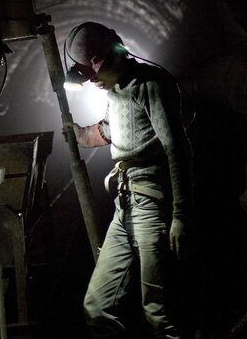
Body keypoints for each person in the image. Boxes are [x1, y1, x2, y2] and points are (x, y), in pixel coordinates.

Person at [64, 21, 193, 338]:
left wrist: (180, 215)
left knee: (157, 314)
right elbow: (107, 130)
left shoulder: (151, 85)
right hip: (125, 204)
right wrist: (77, 133)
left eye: (93, 68)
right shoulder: (115, 91)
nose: (92, 79)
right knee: (96, 309)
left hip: (151, 202)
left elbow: (177, 148)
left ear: (115, 54)